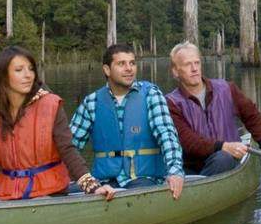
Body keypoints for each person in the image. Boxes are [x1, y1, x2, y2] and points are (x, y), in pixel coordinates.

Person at [0, 45, 115, 201]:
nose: (28, 75)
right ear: (3, 76)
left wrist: (93, 187)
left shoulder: (50, 105)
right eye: (19, 70)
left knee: (41, 201)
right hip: (6, 193)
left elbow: (67, 150)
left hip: (49, 190)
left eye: (31, 69)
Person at [69, 44, 186, 198]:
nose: (129, 68)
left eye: (132, 63)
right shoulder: (92, 102)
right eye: (121, 64)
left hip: (144, 180)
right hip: (103, 182)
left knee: (138, 189)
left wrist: (175, 171)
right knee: (62, 191)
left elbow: (166, 134)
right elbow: (69, 148)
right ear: (106, 70)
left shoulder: (151, 94)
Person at [163, 42, 261, 175]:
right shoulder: (170, 103)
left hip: (229, 160)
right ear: (175, 71)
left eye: (197, 63)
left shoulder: (226, 89)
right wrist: (223, 146)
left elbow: (251, 115)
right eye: (187, 64)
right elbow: (188, 141)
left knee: (223, 158)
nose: (194, 68)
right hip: (193, 166)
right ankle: (200, 185)